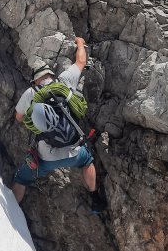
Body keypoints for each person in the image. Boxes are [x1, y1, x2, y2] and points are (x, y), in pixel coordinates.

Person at [12, 37, 106, 212]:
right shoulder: (63, 82)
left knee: (21, 178)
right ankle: (95, 199)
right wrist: (80, 43)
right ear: (51, 75)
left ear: (35, 81)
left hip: (46, 158)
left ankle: (10, 214)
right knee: (87, 161)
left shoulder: (31, 93)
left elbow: (19, 117)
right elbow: (81, 61)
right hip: (74, 151)